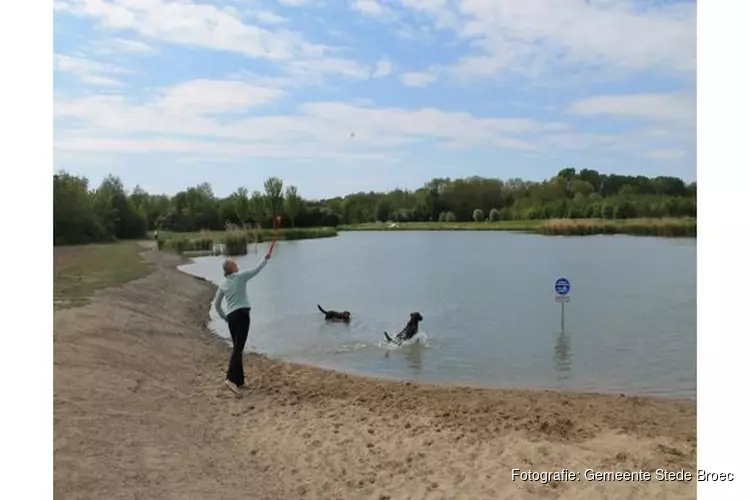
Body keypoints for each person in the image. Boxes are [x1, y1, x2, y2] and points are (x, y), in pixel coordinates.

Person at [213, 251, 272, 397]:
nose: (237, 265)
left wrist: (225, 318)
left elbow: (217, 305)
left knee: (237, 347)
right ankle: (230, 379)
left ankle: (239, 381)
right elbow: (256, 270)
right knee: (238, 347)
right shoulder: (240, 276)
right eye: (234, 264)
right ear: (231, 269)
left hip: (232, 318)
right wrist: (265, 259)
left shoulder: (223, 284)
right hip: (242, 315)